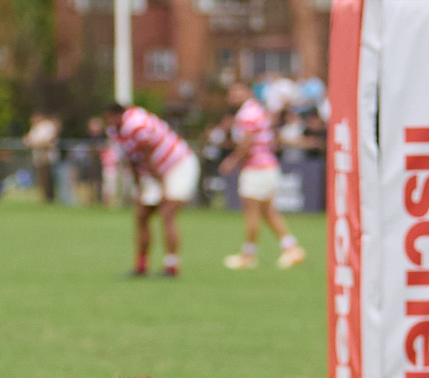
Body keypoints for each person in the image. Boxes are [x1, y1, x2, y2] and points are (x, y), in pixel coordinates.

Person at [105, 102, 199, 277]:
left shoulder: (137, 124)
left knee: (167, 212)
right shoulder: (115, 131)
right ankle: (141, 266)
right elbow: (131, 160)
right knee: (141, 213)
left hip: (177, 165)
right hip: (155, 171)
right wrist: (139, 187)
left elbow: (147, 156)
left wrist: (163, 186)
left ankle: (172, 266)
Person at [220, 82, 304, 270]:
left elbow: (247, 143)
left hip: (256, 168)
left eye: (237, 91)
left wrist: (232, 161)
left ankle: (248, 255)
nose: (233, 96)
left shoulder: (247, 114)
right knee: (268, 212)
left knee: (252, 213)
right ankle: (292, 248)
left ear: (247, 92)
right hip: (268, 166)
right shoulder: (257, 110)